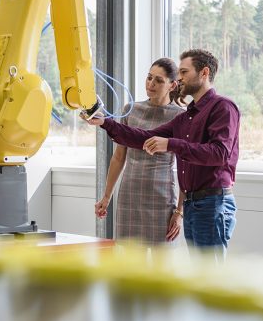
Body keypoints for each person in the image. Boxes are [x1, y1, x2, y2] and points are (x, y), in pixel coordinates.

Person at [84, 49, 240, 257]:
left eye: (184, 72)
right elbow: (143, 137)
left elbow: (219, 154)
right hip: (194, 204)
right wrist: (105, 122)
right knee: (201, 275)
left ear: (203, 73)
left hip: (212, 203)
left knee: (210, 277)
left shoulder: (223, 107)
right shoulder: (188, 117)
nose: (180, 78)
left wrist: (171, 144)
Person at [95, 58, 185, 244]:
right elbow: (119, 157)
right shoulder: (131, 110)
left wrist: (179, 212)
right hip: (129, 195)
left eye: (159, 80)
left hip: (161, 198)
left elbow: (187, 167)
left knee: (161, 269)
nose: (151, 84)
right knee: (128, 265)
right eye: (149, 77)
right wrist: (106, 196)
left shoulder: (180, 116)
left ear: (172, 85)